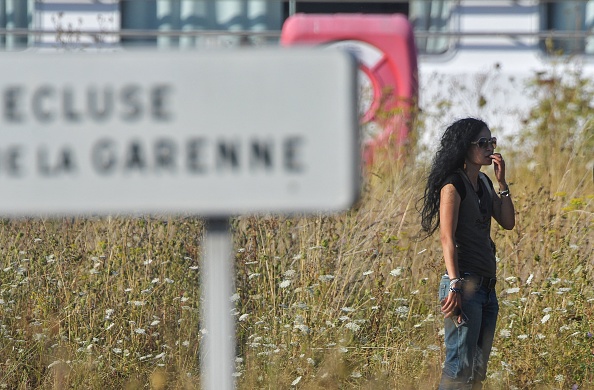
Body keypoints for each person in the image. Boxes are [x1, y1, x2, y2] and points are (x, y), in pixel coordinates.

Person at [419, 118, 515, 389]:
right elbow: (446, 237)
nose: (489, 147)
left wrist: (502, 182)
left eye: (491, 142)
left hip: (487, 288)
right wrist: (455, 284)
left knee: (476, 372)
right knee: (459, 367)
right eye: (482, 143)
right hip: (464, 286)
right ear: (465, 147)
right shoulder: (453, 185)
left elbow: (507, 222)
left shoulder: (484, 182)